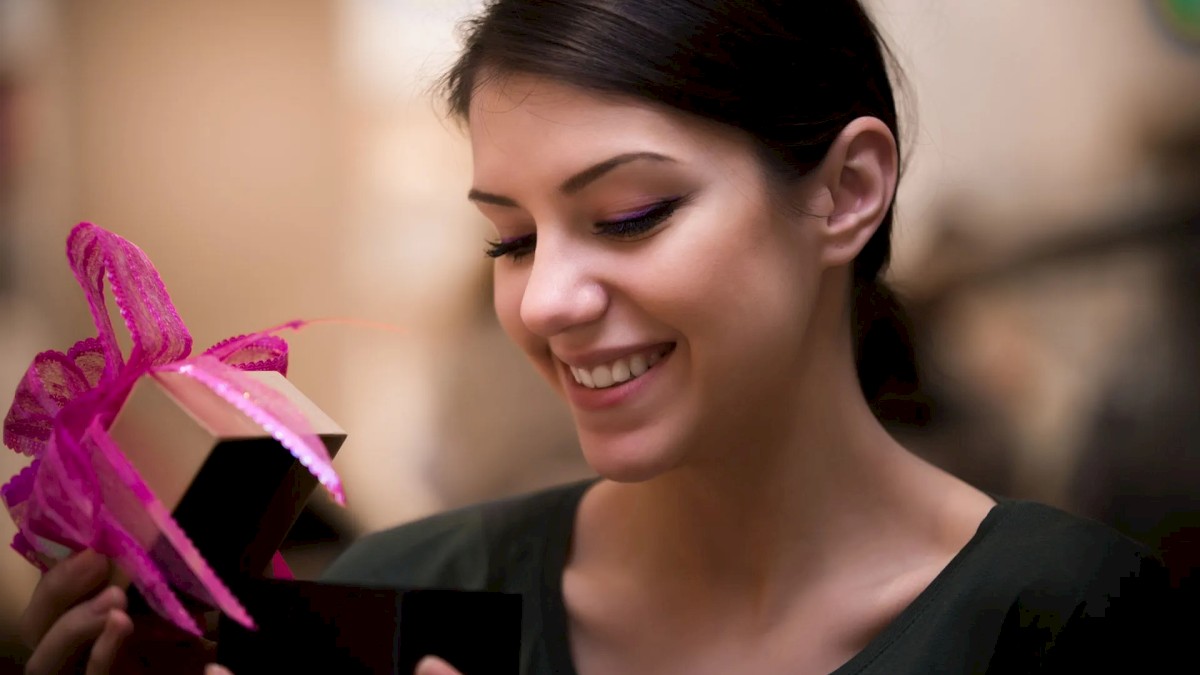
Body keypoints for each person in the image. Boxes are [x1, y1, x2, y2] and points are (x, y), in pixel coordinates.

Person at [18, 1, 1178, 673]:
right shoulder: (394, 597)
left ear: (847, 190)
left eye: (630, 215)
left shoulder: (1067, 616)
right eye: (512, 240)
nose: (547, 301)